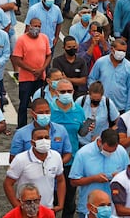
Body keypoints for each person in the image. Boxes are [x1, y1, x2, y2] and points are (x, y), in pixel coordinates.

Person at [69, 129, 129, 218]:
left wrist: (119, 178)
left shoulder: (121, 152)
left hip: (113, 209)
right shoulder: (83, 154)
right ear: (100, 141)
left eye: (113, 152)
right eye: (107, 150)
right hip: (89, 209)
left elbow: (129, 177)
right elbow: (73, 181)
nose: (109, 154)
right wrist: (93, 179)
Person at [4, 127, 65, 212]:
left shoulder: (56, 156)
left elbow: (60, 180)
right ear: (32, 142)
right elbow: (8, 184)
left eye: (46, 137)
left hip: (48, 210)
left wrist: (60, 204)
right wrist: (17, 207)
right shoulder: (20, 159)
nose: (44, 141)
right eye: (40, 138)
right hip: (26, 211)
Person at [50, 79, 85, 218]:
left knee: (70, 198)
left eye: (69, 91)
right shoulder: (49, 109)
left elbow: (80, 132)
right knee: (51, 195)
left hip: (71, 160)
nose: (66, 94)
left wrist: (86, 129)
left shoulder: (79, 110)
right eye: (63, 91)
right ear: (56, 93)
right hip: (51, 159)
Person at [12, 18, 51, 128]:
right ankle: (21, 127)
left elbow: (48, 55)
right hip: (26, 78)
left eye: (39, 26)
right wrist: (31, 70)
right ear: (29, 26)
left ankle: (38, 125)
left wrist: (42, 69)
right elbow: (17, 59)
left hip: (40, 77)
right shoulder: (22, 40)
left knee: (39, 103)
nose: (37, 28)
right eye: (35, 26)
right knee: (24, 104)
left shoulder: (44, 38)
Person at [10, 97, 72, 164]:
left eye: (47, 112)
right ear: (32, 113)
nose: (44, 115)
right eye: (40, 113)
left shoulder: (61, 130)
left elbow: (67, 153)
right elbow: (13, 158)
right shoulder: (21, 133)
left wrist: (57, 166)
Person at [88, 39, 130, 113]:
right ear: (112, 49)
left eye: (124, 51)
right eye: (119, 50)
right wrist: (95, 95)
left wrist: (127, 109)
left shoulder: (129, 67)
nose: (121, 53)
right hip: (101, 105)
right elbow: (92, 79)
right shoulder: (101, 62)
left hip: (120, 107)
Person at [75, 81, 119, 146]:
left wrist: (103, 135)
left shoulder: (108, 103)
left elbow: (118, 123)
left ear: (102, 95)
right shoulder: (81, 101)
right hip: (81, 141)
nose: (95, 101)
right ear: (88, 94)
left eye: (98, 100)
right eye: (92, 99)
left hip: (100, 142)